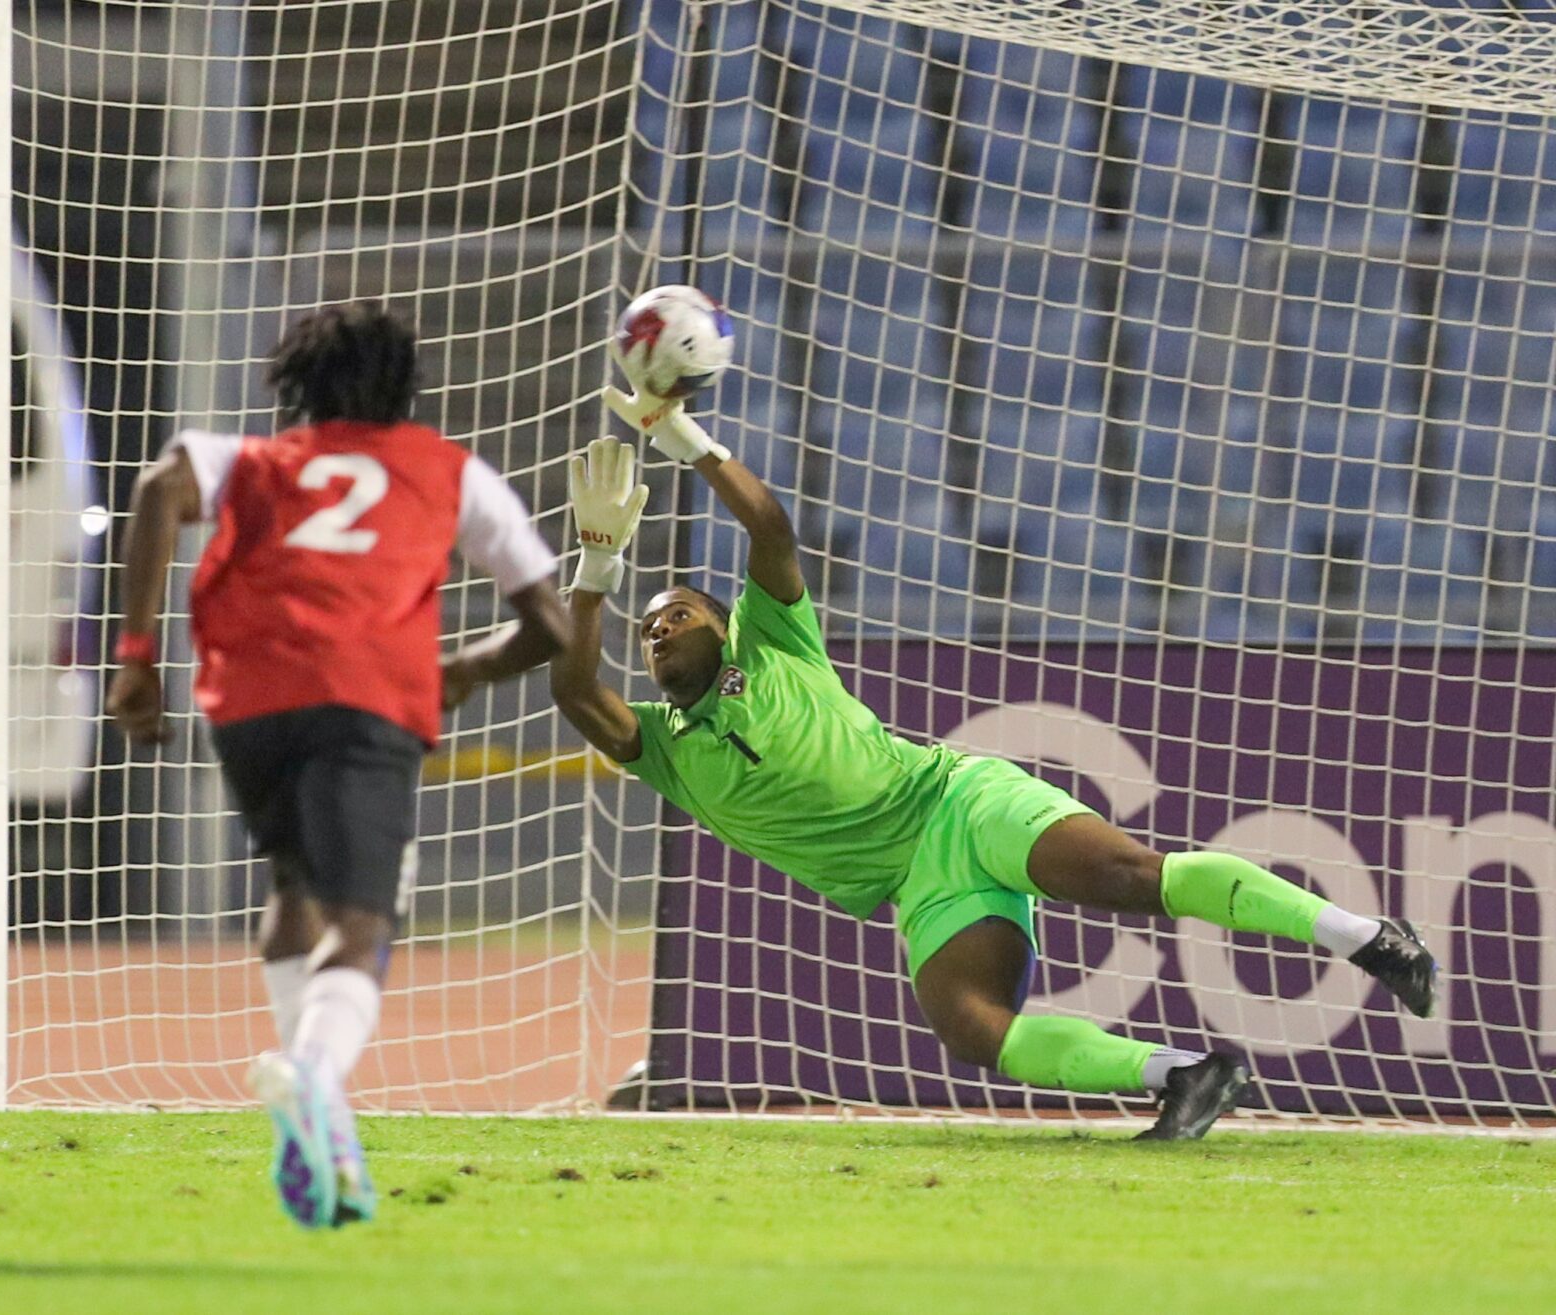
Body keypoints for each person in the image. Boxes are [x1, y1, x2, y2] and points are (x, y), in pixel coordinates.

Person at [547, 375, 1437, 1142]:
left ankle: (1367, 938)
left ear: (723, 622)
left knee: (1127, 873)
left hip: (958, 799)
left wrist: (679, 433)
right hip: (919, 879)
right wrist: (595, 571)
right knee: (971, 1029)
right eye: (650, 626)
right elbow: (579, 693)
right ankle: (1185, 1077)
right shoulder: (664, 746)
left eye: (680, 613)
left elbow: (770, 528)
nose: (661, 629)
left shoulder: (774, 644)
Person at [108, 302, 569, 1225]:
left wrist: (137, 656)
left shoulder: (255, 459)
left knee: (295, 891)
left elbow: (160, 486)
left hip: (246, 701)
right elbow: (551, 622)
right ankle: (315, 1082)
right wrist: (468, 667)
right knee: (359, 929)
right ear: (406, 387)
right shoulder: (451, 469)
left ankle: (319, 1139)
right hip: (365, 697)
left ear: (295, 385)